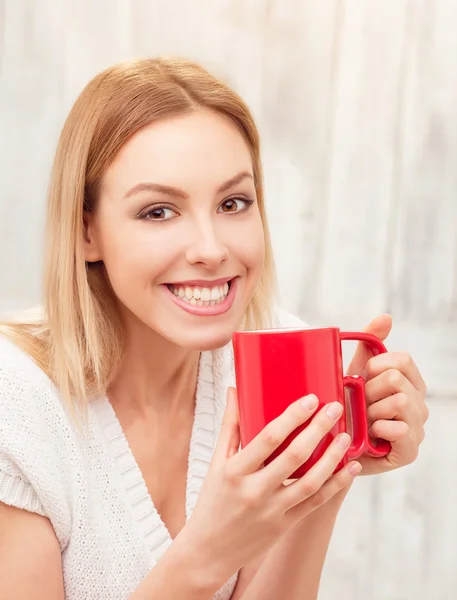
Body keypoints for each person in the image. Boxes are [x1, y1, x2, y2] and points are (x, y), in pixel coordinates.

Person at [0, 58, 428, 600]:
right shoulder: (16, 407)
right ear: (87, 232)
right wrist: (208, 555)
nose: (210, 249)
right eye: (158, 212)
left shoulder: (273, 354)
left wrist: (327, 470)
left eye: (233, 203)